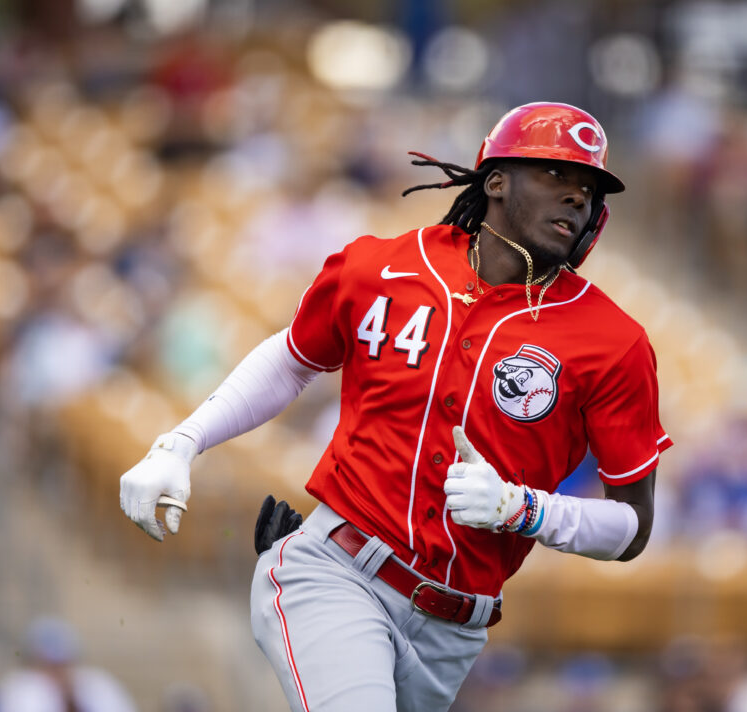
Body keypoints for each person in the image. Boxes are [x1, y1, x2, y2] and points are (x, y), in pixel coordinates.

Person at [119, 102, 672, 712]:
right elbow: (295, 357)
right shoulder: (381, 265)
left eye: (588, 188)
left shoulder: (614, 342)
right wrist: (181, 442)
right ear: (495, 180)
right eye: (554, 175)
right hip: (337, 572)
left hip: (454, 630)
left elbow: (631, 529)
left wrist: (525, 509)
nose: (575, 197)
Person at [0, 617, 137, 712]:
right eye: (48, 666)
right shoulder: (22, 689)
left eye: (63, 664)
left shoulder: (96, 684)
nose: (58, 672)